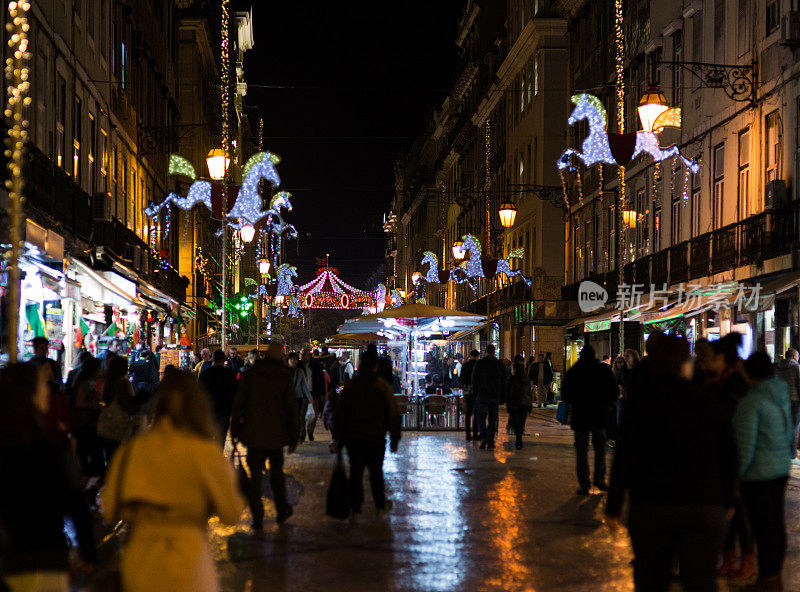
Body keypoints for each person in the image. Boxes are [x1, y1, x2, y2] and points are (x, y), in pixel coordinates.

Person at [606, 335, 737, 592]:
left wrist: (614, 503)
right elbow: (729, 452)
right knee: (700, 581)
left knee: (651, 580)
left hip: (653, 505)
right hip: (704, 505)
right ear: (684, 365)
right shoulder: (707, 401)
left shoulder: (642, 405)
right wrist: (729, 497)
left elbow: (625, 454)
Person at [102, 369, 244, 592]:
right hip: (189, 561)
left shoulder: (132, 451)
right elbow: (232, 513)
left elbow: (109, 509)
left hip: (140, 560)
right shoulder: (204, 452)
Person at [0, 363, 97, 592]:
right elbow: (75, 503)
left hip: (8, 563)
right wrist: (89, 552)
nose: (47, 391)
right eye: (42, 385)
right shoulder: (52, 447)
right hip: (45, 561)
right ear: (29, 393)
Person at [734, 351, 794, 583]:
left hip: (758, 474)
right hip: (780, 470)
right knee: (776, 524)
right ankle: (773, 571)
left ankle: (767, 574)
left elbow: (745, 444)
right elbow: (788, 431)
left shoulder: (751, 402)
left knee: (762, 526)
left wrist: (736, 475)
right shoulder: (780, 395)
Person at [230, 343, 298, 531]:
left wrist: (235, 430)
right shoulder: (284, 376)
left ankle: (257, 517)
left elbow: (238, 403)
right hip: (276, 435)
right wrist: (294, 436)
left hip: (254, 434)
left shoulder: (251, 374)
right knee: (276, 475)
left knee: (255, 478)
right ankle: (281, 510)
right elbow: (292, 408)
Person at [333, 350, 401, 521]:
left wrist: (338, 438)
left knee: (356, 473)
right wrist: (394, 438)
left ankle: (355, 510)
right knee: (376, 473)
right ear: (375, 366)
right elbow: (393, 413)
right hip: (375, 437)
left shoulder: (350, 386)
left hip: (353, 437)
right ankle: (379, 506)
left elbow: (340, 413)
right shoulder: (382, 386)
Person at [561, 344, 617, 495]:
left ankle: (584, 483)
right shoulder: (602, 371)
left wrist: (576, 402)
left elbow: (565, 393)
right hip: (599, 416)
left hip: (580, 417)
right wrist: (608, 404)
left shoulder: (574, 371)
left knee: (582, 451)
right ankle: (599, 479)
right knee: (600, 450)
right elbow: (613, 391)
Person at [199, 349, 238, 446]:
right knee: (220, 439)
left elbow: (199, 392)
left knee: (207, 438)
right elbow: (234, 393)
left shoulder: (205, 374)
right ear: (223, 359)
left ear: (213, 359)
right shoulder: (229, 375)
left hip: (208, 410)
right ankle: (218, 457)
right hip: (224, 411)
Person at [471, 344, 506, 450]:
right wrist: (502, 396)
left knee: (481, 417)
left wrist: (476, 393)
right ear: (494, 351)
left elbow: (474, 380)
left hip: (482, 394)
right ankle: (490, 440)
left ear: (485, 351)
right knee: (492, 418)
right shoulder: (499, 364)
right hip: (494, 395)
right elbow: (504, 381)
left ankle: (483, 438)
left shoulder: (480, 363)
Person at [775, 347, 800, 460]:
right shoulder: (796, 367)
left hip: (781, 400)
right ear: (794, 356)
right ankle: (792, 454)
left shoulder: (778, 367)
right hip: (794, 400)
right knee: (794, 427)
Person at [507, 355, 533, 449]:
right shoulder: (526, 378)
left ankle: (518, 438)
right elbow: (528, 392)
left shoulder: (513, 379)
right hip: (523, 403)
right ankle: (519, 438)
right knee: (521, 422)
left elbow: (510, 392)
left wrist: (509, 404)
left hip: (515, 403)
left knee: (517, 421)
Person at [288, 352, 312, 443]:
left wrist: (310, 397)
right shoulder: (284, 371)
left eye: (294, 359)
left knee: (297, 417)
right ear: (288, 360)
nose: (293, 361)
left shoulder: (300, 372)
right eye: (291, 359)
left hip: (298, 398)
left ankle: (297, 436)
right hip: (287, 398)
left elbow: (304, 386)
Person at [460, 350, 480, 441]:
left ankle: (468, 434)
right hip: (476, 392)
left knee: (468, 413)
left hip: (467, 392)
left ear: (470, 355)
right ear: (477, 356)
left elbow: (461, 378)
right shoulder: (478, 365)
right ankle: (475, 433)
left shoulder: (465, 365)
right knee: (476, 413)